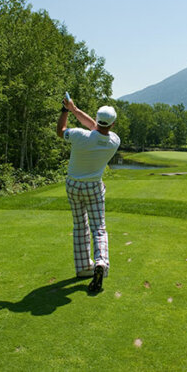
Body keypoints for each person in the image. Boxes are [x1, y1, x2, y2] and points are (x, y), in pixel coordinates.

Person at [57, 97, 120, 292]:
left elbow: (60, 131)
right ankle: (101, 262)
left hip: (74, 186)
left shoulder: (78, 135)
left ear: (96, 119)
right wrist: (74, 108)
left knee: (80, 226)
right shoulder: (114, 141)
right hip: (94, 187)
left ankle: (84, 267)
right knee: (99, 228)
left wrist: (65, 110)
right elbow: (96, 127)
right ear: (113, 124)